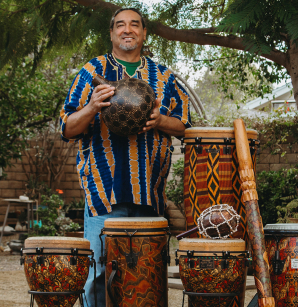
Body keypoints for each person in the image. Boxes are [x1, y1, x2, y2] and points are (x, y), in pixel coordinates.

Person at [59, 7, 191, 307]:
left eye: (134, 25)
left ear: (144, 34)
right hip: (103, 194)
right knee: (97, 274)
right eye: (120, 25)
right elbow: (66, 128)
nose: (127, 29)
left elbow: (185, 126)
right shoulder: (91, 73)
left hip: (149, 196)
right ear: (111, 33)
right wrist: (92, 107)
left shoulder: (164, 77)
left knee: (146, 273)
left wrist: (160, 121)